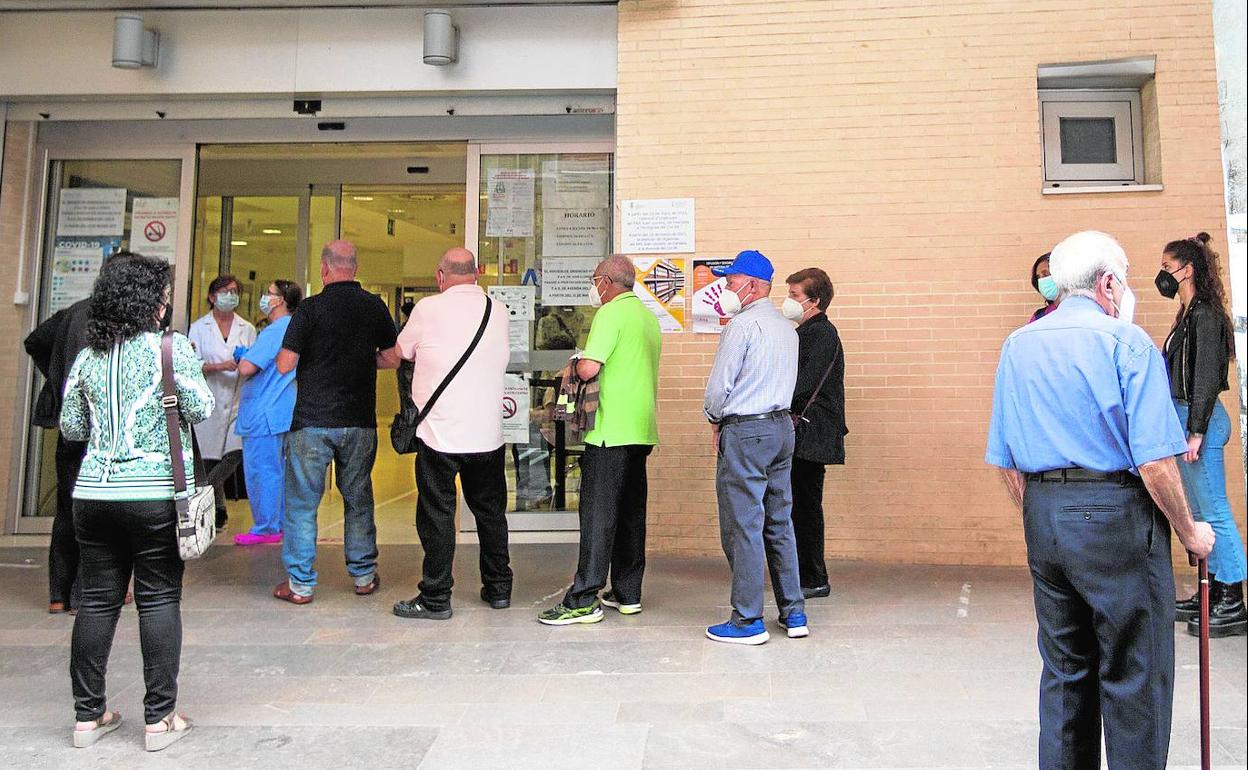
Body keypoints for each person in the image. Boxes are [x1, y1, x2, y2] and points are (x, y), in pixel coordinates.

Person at [986, 230, 1215, 770]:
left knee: (1066, 669)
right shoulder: (1126, 341)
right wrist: (1189, 531)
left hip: (1044, 515)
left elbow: (1004, 459)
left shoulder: (1020, 344)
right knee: (1136, 669)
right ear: (1108, 282)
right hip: (1116, 513)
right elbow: (1156, 461)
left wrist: (1044, 514)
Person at [59, 252, 214, 752]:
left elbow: (72, 428)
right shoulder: (171, 349)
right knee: (159, 597)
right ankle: (159, 718)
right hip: (154, 495)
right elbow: (202, 407)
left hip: (93, 496)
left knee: (98, 600)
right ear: (153, 300)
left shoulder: (87, 356)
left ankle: (87, 717)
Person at [385, 247, 512, 620]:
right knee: (491, 514)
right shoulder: (498, 309)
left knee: (438, 516)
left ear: (441, 275)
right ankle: (499, 588)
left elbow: (401, 351)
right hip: (488, 434)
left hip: (439, 435)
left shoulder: (427, 309)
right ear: (477, 274)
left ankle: (436, 597)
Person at [538, 255, 662, 625]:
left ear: (606, 282)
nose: (594, 288)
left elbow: (591, 367)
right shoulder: (646, 317)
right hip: (640, 430)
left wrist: (573, 363)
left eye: (595, 280)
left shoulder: (610, 314)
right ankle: (627, 593)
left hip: (609, 430)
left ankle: (582, 598)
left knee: (597, 516)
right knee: (629, 514)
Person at [272, 241, 397, 604]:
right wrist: (358, 359)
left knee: (301, 503)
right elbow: (392, 358)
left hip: (312, 421)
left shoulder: (310, 309)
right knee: (358, 498)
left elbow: (284, 364)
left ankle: (299, 585)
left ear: (325, 268)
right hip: (359, 421)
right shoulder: (374, 306)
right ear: (354, 268)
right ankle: (363, 576)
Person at [702, 249, 807, 645]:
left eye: (730, 282)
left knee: (743, 525)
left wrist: (714, 420)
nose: (726, 289)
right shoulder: (785, 327)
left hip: (746, 432)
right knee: (779, 521)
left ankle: (747, 620)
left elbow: (719, 387)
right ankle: (793, 611)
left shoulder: (742, 326)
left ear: (752, 285)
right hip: (782, 428)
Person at [1158, 232, 1246, 637]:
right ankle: (1210, 591)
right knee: (1198, 513)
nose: (1162, 276)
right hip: (1188, 419)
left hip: (1201, 422)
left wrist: (1195, 432)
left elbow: (1208, 376)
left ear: (1186, 269)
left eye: (1166, 268)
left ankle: (1232, 599)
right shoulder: (1188, 313)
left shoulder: (1205, 315)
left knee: (1213, 512)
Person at [24, 295, 92, 614]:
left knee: (67, 505)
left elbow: (35, 341)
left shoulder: (73, 312)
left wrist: (55, 381)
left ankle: (58, 594)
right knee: (93, 507)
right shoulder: (115, 315)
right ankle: (82, 593)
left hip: (67, 422)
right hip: (96, 425)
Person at [782, 268, 846, 600]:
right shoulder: (807, 332)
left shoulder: (819, 334)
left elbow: (802, 384)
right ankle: (806, 572)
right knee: (800, 504)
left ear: (815, 300)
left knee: (805, 506)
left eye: (794, 296)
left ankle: (813, 576)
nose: (788, 301)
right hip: (810, 433)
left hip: (811, 434)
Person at [232, 280, 302, 546]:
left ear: (280, 300)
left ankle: (265, 527)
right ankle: (279, 524)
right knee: (279, 471)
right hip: (282, 410)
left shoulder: (274, 331)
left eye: (269, 294)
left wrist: (242, 356)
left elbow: (248, 368)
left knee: (262, 471)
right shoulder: (293, 328)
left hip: (263, 411)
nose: (265, 297)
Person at [187, 274, 256, 528]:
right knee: (208, 460)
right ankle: (218, 509)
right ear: (212, 297)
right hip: (210, 400)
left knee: (234, 454)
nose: (231, 295)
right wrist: (219, 366)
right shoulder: (199, 327)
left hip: (238, 400)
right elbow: (192, 364)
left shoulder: (246, 328)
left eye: (234, 291)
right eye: (225, 291)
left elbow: (255, 361)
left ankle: (201, 495)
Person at [1028, 252, 1059, 323]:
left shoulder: (1084, 311)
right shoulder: (1039, 317)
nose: (1042, 281)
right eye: (1038, 277)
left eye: (1046, 274)